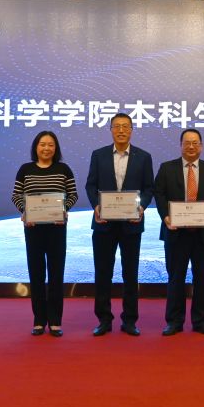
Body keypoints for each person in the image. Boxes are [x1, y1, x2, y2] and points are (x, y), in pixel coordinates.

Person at [84, 113, 155, 337]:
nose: (121, 130)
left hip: (131, 224)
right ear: (111, 130)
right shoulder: (99, 155)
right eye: (117, 126)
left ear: (131, 130)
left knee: (130, 274)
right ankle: (104, 320)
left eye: (125, 126)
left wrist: (141, 207)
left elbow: (149, 188)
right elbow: (90, 185)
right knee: (103, 273)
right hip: (103, 223)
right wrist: (96, 206)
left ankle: (129, 320)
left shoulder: (144, 157)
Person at [153, 128, 204, 336]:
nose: (191, 146)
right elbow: (159, 194)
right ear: (180, 145)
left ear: (201, 146)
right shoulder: (167, 168)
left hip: (203, 234)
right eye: (187, 143)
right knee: (175, 278)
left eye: (195, 143)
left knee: (202, 278)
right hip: (175, 232)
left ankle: (200, 320)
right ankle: (174, 321)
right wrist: (166, 217)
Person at [11, 130, 78, 338]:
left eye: (50, 145)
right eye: (42, 144)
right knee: (37, 274)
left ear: (56, 148)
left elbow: (73, 195)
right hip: (33, 229)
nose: (46, 148)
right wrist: (25, 211)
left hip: (57, 229)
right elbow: (16, 195)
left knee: (56, 275)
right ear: (36, 147)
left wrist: (63, 209)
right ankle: (39, 320)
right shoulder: (25, 169)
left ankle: (55, 321)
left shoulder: (64, 169)